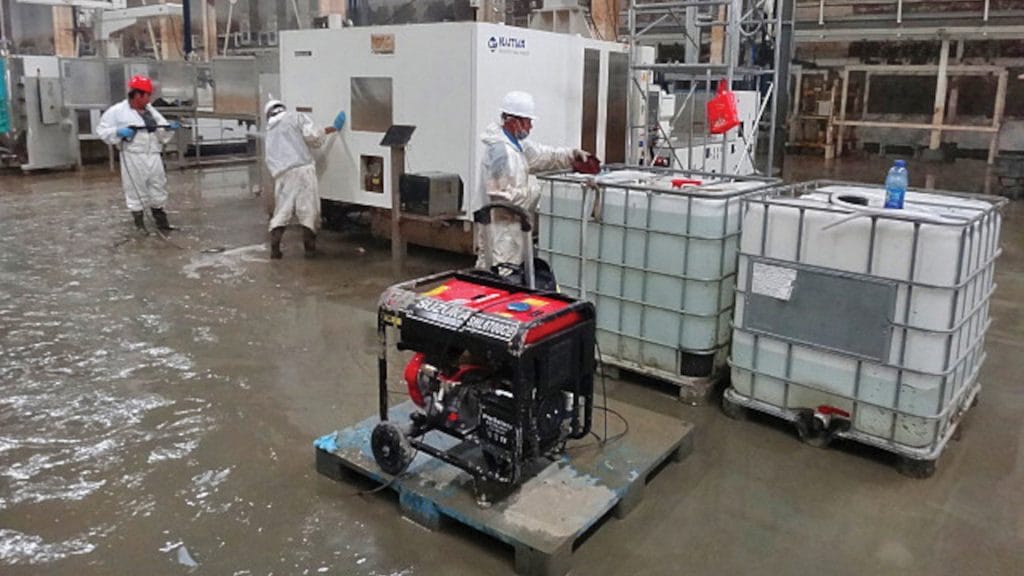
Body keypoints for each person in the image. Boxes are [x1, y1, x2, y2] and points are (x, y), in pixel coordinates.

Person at [475, 90, 590, 270]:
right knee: (498, 276)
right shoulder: (500, 152)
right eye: (528, 122)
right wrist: (536, 191)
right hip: (499, 234)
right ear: (513, 121)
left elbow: (541, 156)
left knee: (510, 277)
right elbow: (499, 197)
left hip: (512, 232)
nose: (530, 127)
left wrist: (571, 155)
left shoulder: (516, 145)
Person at [263, 99, 346, 259]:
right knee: (308, 211)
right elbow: (313, 137)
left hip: (282, 175)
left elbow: (270, 159)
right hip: (302, 170)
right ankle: (310, 250)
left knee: (281, 212)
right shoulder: (297, 118)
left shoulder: (270, 131)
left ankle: (275, 249)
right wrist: (332, 128)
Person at [96, 75, 180, 233]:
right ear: (137, 94)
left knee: (158, 185)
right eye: (147, 95)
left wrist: (168, 127)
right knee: (136, 189)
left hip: (153, 154)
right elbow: (102, 130)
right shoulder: (117, 111)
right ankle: (140, 224)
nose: (149, 99)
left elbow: (160, 130)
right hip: (133, 156)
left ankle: (162, 222)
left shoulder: (150, 111)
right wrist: (118, 131)